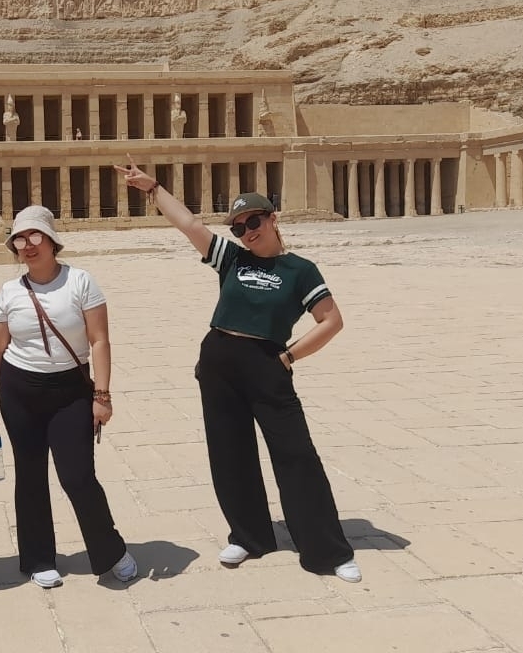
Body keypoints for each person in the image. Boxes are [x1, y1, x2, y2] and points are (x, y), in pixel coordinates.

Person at [117, 156, 362, 584]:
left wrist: (289, 356)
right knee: (230, 453)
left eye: (255, 221)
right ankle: (249, 536)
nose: (248, 231)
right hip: (218, 362)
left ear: (273, 218)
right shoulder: (233, 259)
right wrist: (153, 189)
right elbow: (190, 225)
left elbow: (331, 321)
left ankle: (327, 549)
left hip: (267, 363)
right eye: (239, 226)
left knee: (297, 455)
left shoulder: (300, 270)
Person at [0, 205, 136, 589]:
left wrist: (103, 395)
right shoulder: (9, 291)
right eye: (19, 240)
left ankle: (111, 550)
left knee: (78, 476)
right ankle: (38, 558)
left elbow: (99, 340)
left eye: (35, 238)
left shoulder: (81, 281)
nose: (27, 247)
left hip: (70, 392)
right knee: (29, 476)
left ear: (50, 241)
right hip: (20, 392)